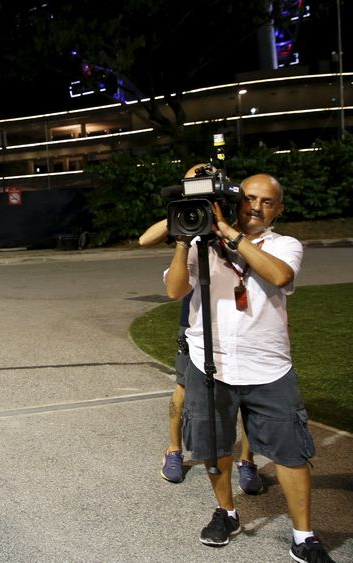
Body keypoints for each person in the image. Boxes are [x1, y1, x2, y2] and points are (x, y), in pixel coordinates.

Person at [163, 173, 334, 562]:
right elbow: (174, 290)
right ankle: (226, 513)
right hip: (210, 364)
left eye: (266, 202)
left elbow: (280, 275)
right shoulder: (202, 245)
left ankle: (304, 536)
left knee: (291, 452)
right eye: (250, 198)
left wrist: (229, 232)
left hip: (268, 367)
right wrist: (183, 240)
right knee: (215, 447)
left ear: (279, 209)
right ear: (237, 200)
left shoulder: (284, 245)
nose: (256, 207)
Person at [139, 168, 262, 492]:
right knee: (184, 385)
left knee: (248, 391)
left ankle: (247, 460)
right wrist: (183, 211)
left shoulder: (232, 213)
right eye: (190, 184)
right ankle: (174, 450)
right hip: (194, 312)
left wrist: (219, 214)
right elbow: (145, 240)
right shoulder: (187, 217)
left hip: (239, 314)